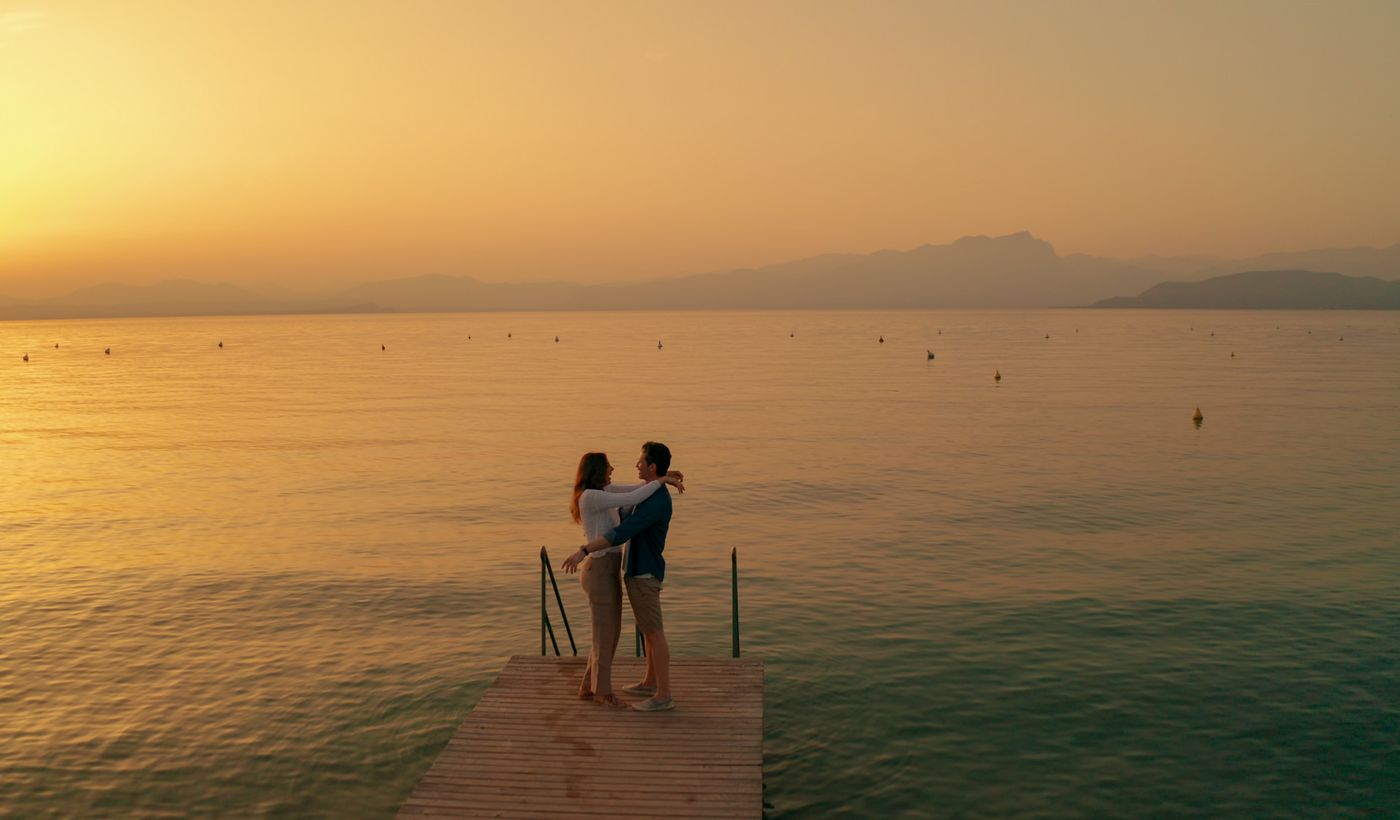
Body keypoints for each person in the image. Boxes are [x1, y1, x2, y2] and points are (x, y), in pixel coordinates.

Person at [564, 451, 684, 708]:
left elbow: (636, 490)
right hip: (599, 567)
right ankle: (602, 693)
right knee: (605, 634)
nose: (613, 469)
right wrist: (661, 480)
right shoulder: (593, 496)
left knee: (606, 633)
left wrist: (661, 478)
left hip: (607, 568)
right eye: (608, 466)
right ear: (597, 470)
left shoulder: (602, 490)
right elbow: (633, 497)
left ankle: (589, 687)